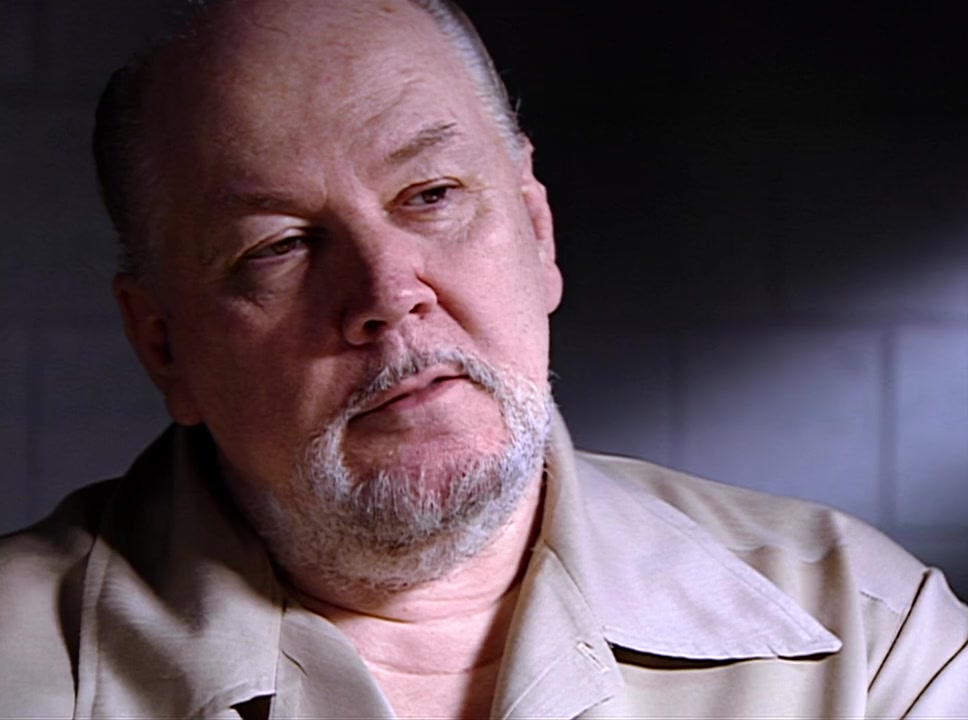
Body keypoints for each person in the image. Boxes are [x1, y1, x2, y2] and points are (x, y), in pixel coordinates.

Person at [1, 0, 965, 717]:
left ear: (538, 233)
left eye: (430, 195)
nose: (388, 293)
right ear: (163, 345)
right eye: (280, 246)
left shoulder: (871, 643)